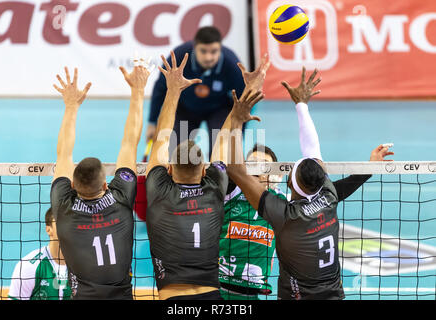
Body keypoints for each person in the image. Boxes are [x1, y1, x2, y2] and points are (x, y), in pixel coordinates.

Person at [226, 67, 394, 300]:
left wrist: (235, 119)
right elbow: (316, 153)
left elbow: (235, 169)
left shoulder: (283, 214)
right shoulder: (328, 195)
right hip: (333, 295)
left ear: (292, 185)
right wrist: (369, 168)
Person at [144, 51, 262, 300]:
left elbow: (163, 135)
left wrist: (173, 90)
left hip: (173, 300)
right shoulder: (215, 185)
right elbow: (224, 138)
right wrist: (247, 93)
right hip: (213, 297)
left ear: (170, 168)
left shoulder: (158, 187)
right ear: (204, 168)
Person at [50, 61, 150, 299]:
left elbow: (63, 153)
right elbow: (129, 143)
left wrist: (71, 106)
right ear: (105, 184)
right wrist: (138, 91)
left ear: (72, 185)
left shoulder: (64, 205)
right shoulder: (121, 196)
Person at [146, 26, 245, 157]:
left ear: (220, 49)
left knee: (221, 154)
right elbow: (160, 89)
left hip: (219, 110)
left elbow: (244, 103)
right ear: (194, 48)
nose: (208, 57)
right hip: (185, 109)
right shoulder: (179, 57)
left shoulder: (232, 64)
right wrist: (152, 123)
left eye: (214, 51)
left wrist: (238, 133)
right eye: (203, 51)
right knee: (174, 154)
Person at [219, 143, 285, 300]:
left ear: (272, 174)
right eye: (252, 163)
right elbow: (228, 161)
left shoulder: (281, 202)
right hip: (217, 289)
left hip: (252, 295)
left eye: (263, 165)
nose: (256, 168)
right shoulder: (230, 191)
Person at [8, 208, 71, 300]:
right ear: (49, 230)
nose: (67, 227)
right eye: (61, 222)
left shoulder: (85, 265)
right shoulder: (28, 265)